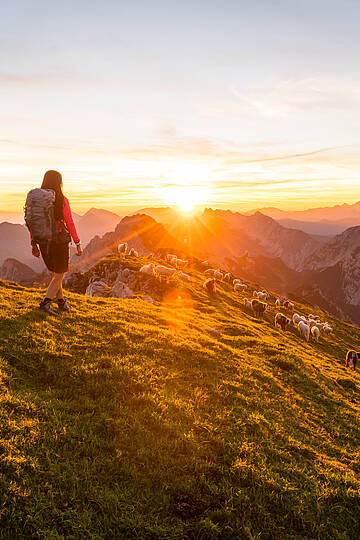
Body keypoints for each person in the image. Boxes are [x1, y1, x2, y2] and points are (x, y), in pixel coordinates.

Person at [31, 170, 83, 315]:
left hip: (42, 241)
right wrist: (77, 242)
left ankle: (61, 302)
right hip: (59, 242)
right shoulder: (61, 199)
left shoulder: (37, 201)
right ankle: (46, 303)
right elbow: (70, 222)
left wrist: (33, 243)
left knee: (56, 273)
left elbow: (33, 222)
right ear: (59, 182)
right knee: (60, 274)